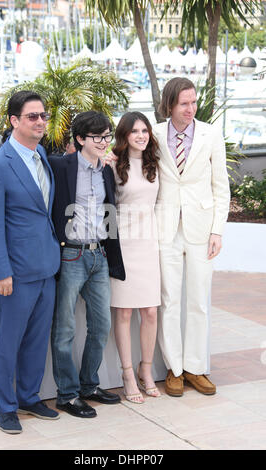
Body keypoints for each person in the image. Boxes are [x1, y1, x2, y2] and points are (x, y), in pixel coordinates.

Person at [0, 91, 61, 434]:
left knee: (37, 340)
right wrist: (1, 271)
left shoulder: (40, 153)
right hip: (15, 273)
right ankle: (6, 407)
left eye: (43, 115)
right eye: (32, 116)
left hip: (47, 267)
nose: (40, 121)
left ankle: (28, 396)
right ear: (14, 121)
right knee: (8, 343)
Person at [153, 77, 230, 397]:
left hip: (201, 229)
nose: (190, 108)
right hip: (165, 228)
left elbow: (221, 186)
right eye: (184, 103)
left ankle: (196, 368)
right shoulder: (153, 133)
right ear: (170, 104)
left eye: (193, 102)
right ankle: (174, 368)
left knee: (198, 300)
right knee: (169, 300)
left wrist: (217, 230)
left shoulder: (211, 134)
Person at [48, 110, 125, 419]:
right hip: (71, 255)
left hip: (99, 255)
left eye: (107, 136)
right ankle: (67, 394)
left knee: (101, 325)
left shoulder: (105, 170)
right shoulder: (60, 166)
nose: (104, 142)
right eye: (98, 137)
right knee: (64, 327)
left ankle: (89, 385)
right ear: (80, 139)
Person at [108, 112, 161, 403]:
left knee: (150, 312)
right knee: (125, 312)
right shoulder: (114, 164)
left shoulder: (155, 163)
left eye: (145, 130)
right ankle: (127, 373)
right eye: (135, 131)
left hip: (149, 243)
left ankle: (146, 370)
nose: (141, 135)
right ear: (124, 135)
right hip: (124, 245)